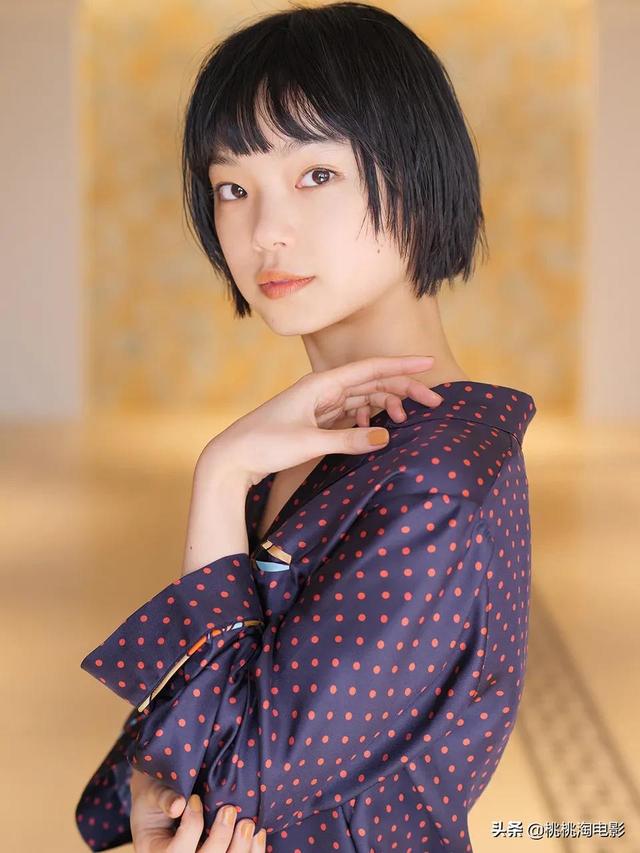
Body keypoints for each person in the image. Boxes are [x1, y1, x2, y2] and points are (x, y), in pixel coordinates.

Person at [75, 3, 537, 851]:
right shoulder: (334, 442)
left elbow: (222, 776)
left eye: (316, 174)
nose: (265, 232)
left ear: (418, 173)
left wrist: (222, 474)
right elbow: (167, 768)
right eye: (232, 188)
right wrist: (154, 786)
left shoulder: (431, 483)